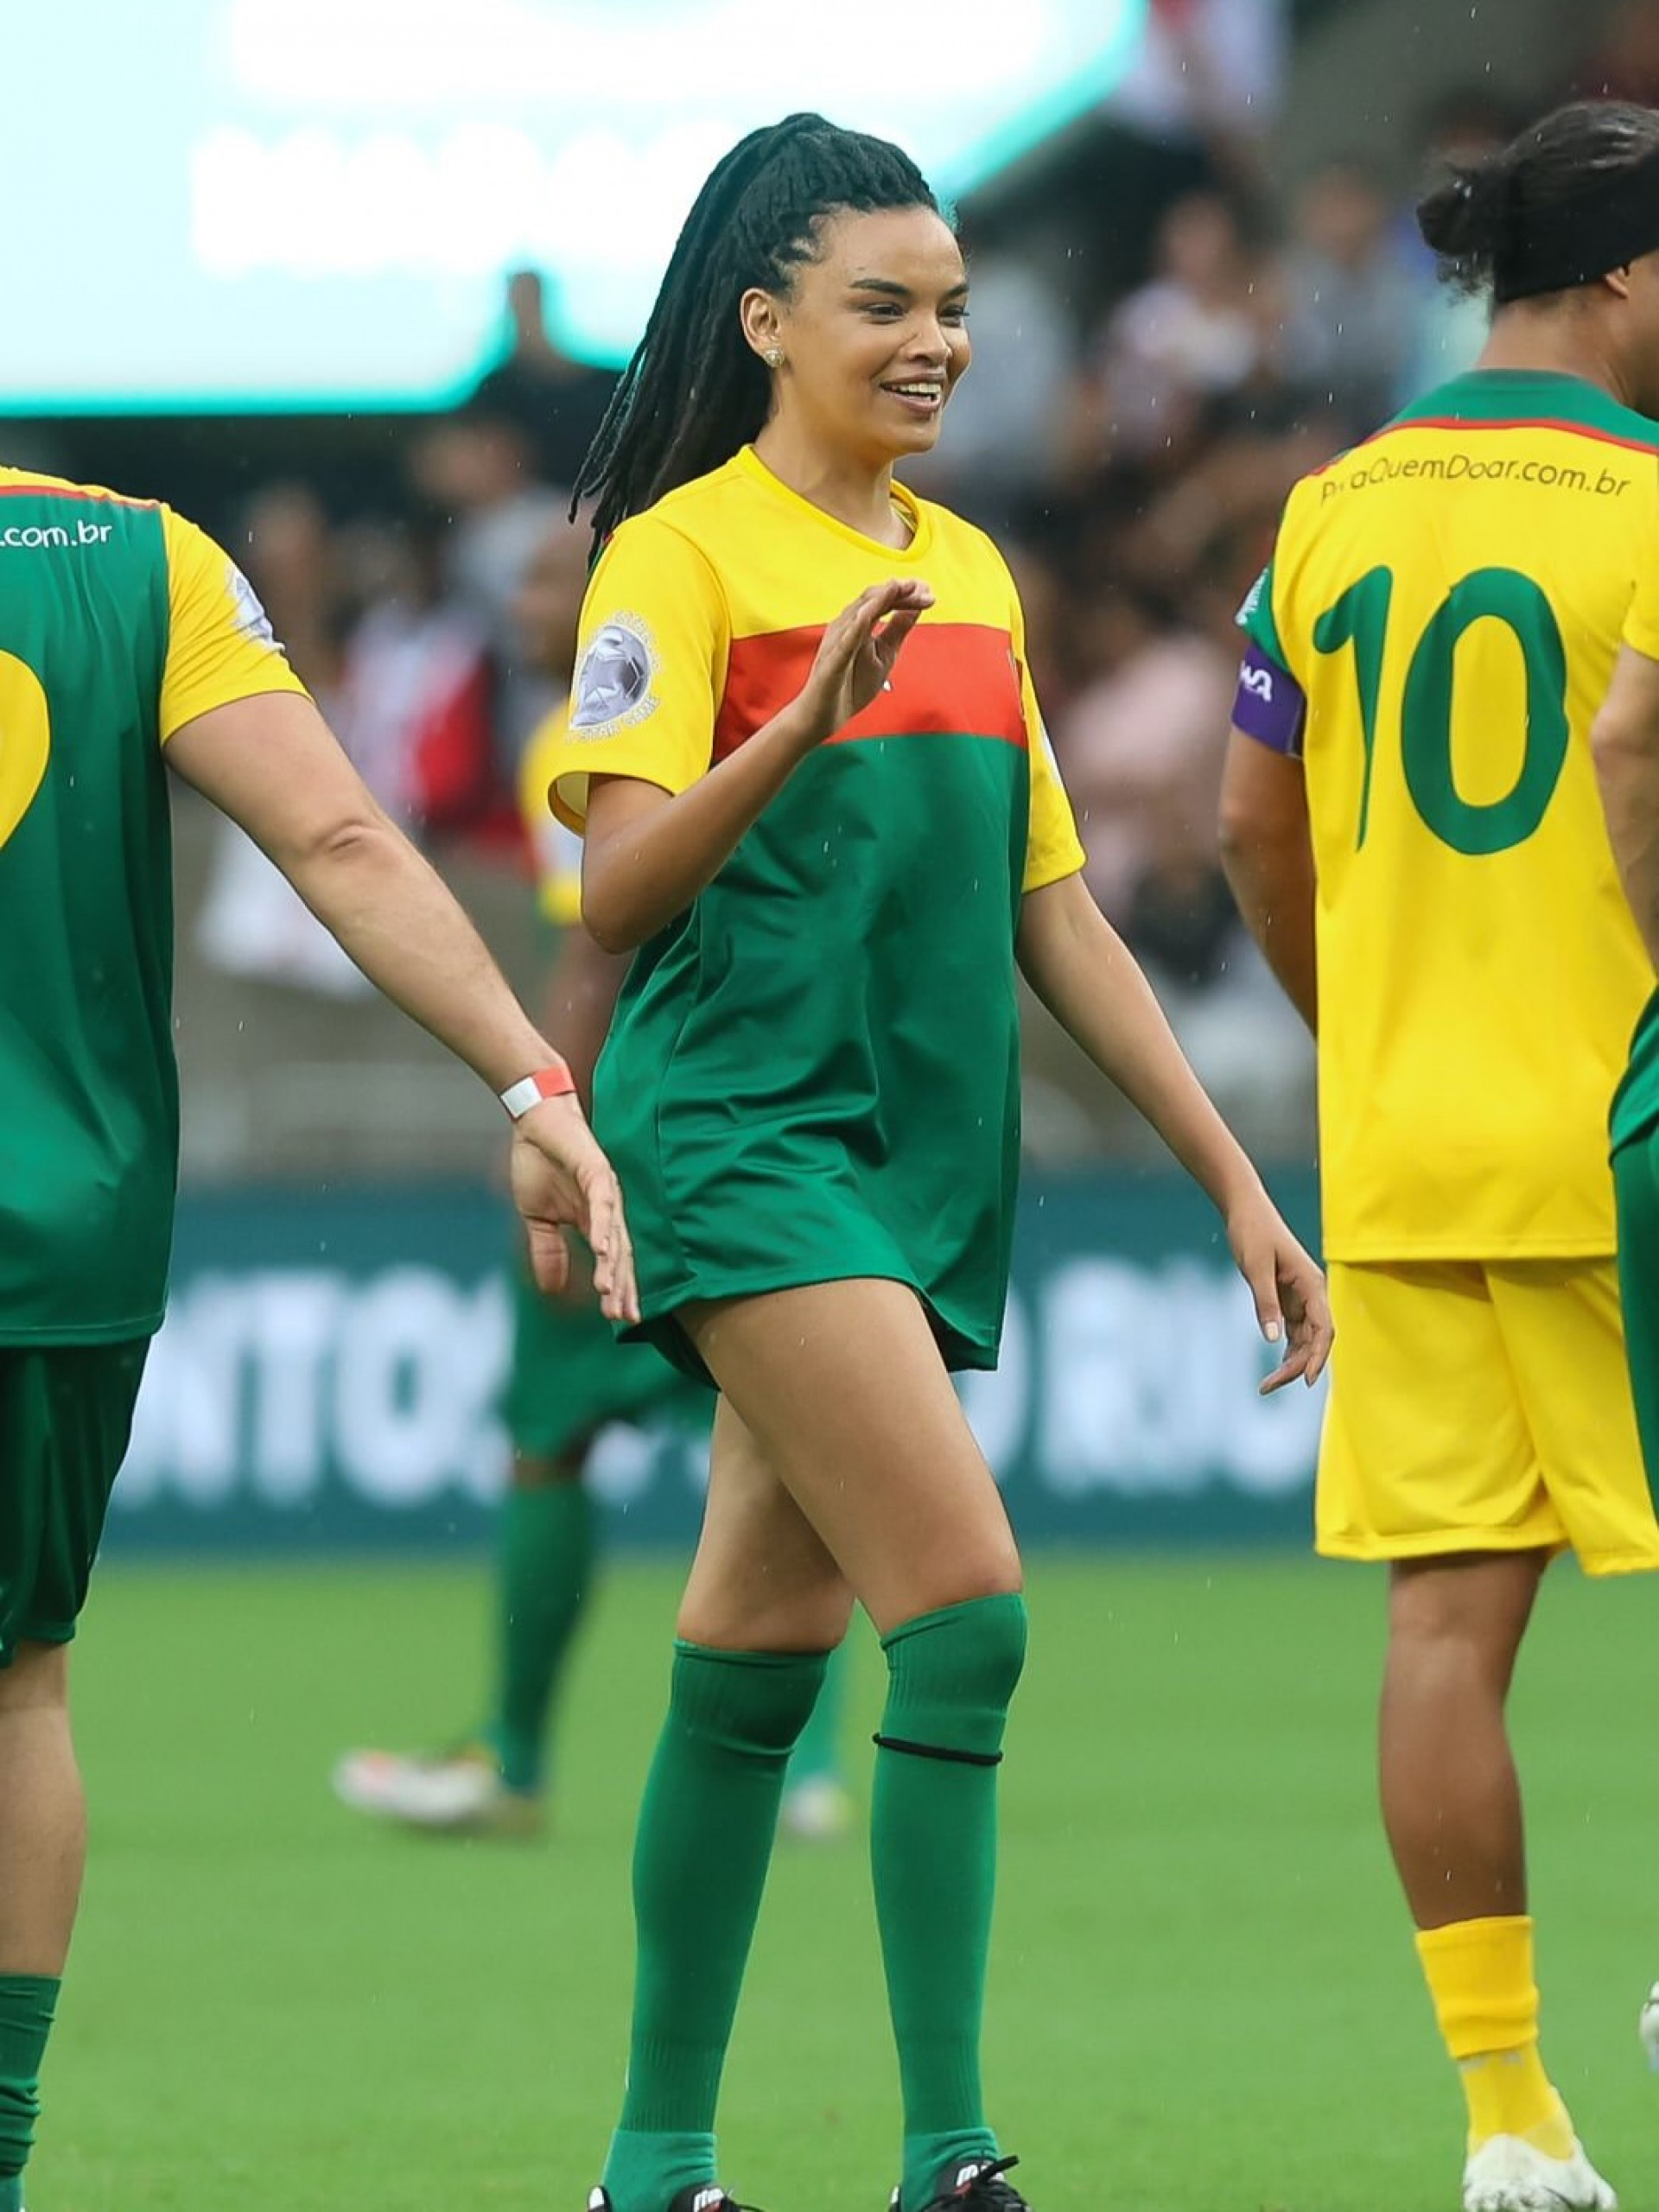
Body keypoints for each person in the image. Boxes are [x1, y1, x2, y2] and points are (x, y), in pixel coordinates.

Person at [543, 111, 1330, 2212]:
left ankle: (651, 2164)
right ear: (764, 320)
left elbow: (1051, 907)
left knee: (756, 1646)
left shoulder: (966, 569)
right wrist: (794, 727)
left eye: (957, 307)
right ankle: (949, 2155)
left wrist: (1233, 1177)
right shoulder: (680, 558)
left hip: (909, 1168)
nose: (935, 343)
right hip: (742, 1141)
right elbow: (616, 889)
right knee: (965, 1611)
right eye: (883, 304)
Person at [0, 467, 638, 2212]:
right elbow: (341, 843)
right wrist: (532, 1084)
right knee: (21, 1679)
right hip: (54, 1218)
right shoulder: (132, 559)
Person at [1217, 99, 1659, 2212]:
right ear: (1629, 273)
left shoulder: (1327, 513)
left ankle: (1509, 2117)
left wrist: (1375, 1036)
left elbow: (1249, 826)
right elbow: (1636, 762)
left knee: (1445, 1630)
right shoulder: (1649, 496)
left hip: (1409, 1153)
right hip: (1624, 1122)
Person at [332, 517, 852, 1842]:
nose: (521, 601)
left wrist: (551, 1120)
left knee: (554, 1435)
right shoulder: (734, 707)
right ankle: (806, 1771)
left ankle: (514, 1758)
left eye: (548, 579)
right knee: (793, 1437)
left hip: (640, 1126)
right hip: (766, 1114)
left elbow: (601, 955)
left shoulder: (596, 726)